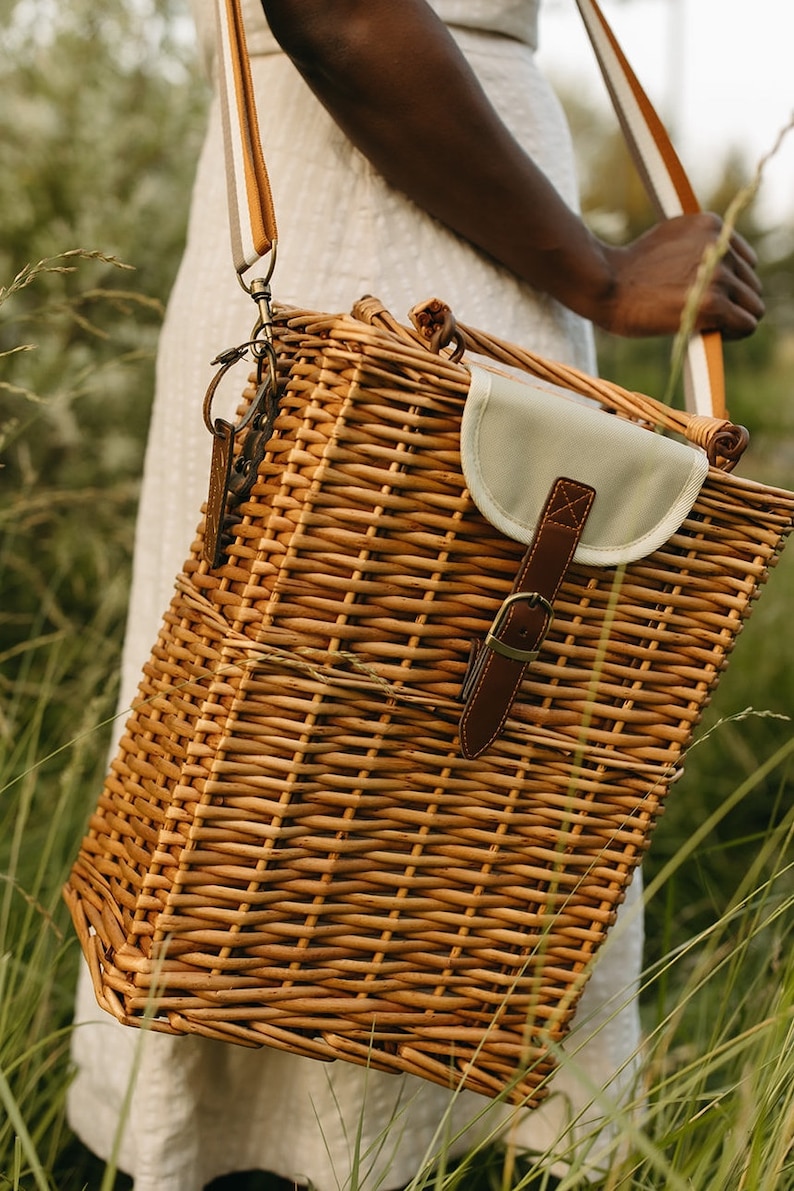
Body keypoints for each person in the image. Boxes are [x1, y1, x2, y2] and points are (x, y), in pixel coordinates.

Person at [68, 3, 763, 1189]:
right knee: (336, 772)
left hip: (442, 225)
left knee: (393, 794)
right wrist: (592, 269)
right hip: (392, 245)